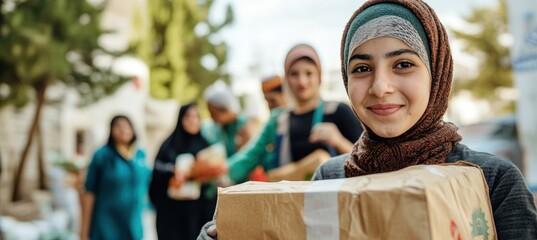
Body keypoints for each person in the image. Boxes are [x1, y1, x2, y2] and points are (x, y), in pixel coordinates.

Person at [198, 0, 537, 239]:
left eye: (403, 64)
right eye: (361, 69)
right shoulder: (329, 178)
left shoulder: (492, 181)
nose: (380, 87)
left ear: (436, 74)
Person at [224, 43, 363, 184]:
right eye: (294, 74)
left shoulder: (339, 111)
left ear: (319, 76)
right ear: (286, 79)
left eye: (309, 73)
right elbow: (251, 155)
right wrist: (221, 170)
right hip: (291, 202)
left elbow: (365, 161)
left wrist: (338, 141)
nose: (302, 81)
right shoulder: (279, 119)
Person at [149, 103, 225, 240]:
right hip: (173, 214)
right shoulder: (169, 146)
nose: (193, 120)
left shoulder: (205, 145)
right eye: (188, 116)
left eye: (196, 116)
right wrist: (173, 170)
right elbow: (157, 170)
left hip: (199, 212)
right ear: (180, 119)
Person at [81, 115, 149, 240]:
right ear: (111, 131)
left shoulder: (140, 155)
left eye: (127, 126)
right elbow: (89, 192)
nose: (123, 130)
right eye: (118, 126)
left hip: (132, 224)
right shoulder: (102, 155)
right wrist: (84, 231)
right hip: (107, 225)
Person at [201, 81, 257, 156]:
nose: (212, 118)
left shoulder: (246, 125)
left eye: (214, 114)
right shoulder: (217, 128)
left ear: (226, 110)